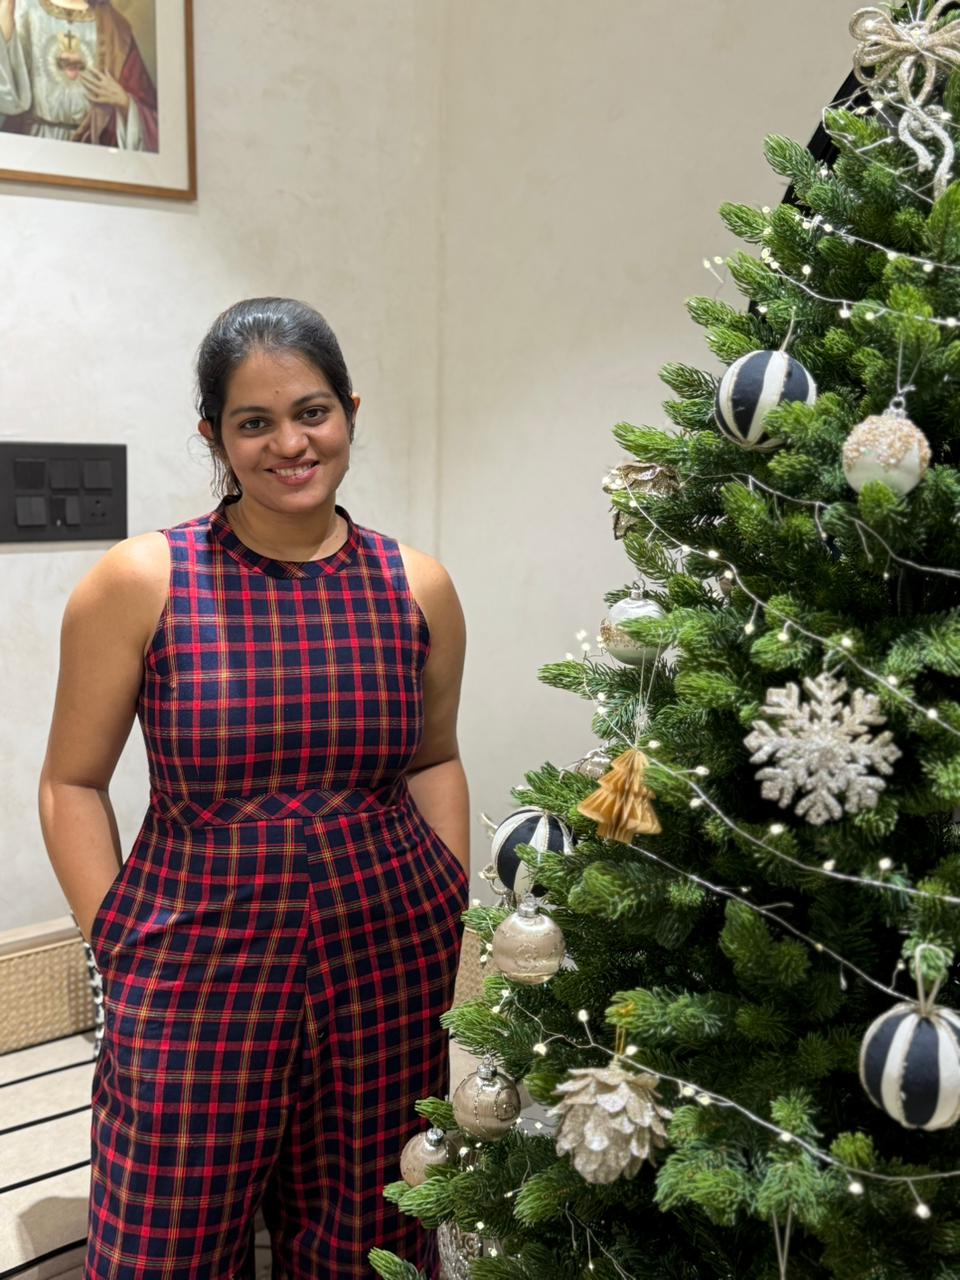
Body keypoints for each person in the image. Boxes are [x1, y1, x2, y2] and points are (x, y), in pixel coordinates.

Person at [37, 297, 471, 1278]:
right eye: (254, 422)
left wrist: (446, 900)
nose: (290, 443)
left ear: (350, 412)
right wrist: (118, 941)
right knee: (167, 1240)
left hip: (388, 958)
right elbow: (71, 781)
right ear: (214, 437)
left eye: (312, 412)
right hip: (194, 965)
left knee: (370, 1235)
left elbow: (433, 756)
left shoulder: (417, 585)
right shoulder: (143, 580)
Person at [0, 0, 158, 150]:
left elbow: (157, 124)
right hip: (32, 145)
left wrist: (125, 102)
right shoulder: (23, 9)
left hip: (91, 150)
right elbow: (6, 91)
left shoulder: (114, 27)